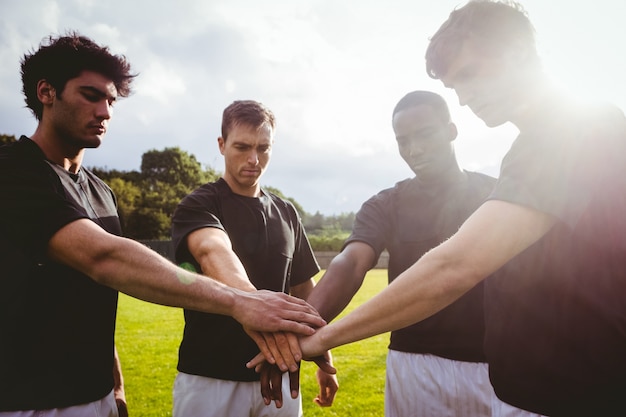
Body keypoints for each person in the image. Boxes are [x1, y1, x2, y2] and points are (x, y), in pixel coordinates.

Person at [288, 1, 626, 416]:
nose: (464, 98)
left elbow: (456, 266)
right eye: (454, 87)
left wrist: (322, 338)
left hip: (581, 393)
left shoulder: (574, 130)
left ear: (516, 52)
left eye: (469, 74)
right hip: (538, 391)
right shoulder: (532, 145)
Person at [0, 32, 325, 416]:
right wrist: (242, 301)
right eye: (91, 96)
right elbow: (103, 258)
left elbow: (95, 299)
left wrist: (116, 386)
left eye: (111, 100)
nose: (105, 111)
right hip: (27, 400)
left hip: (97, 396)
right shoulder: (13, 171)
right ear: (46, 92)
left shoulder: (102, 192)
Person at [304, 90, 507, 416]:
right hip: (414, 366)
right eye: (403, 141)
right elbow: (352, 261)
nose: (414, 149)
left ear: (452, 130)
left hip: (494, 364)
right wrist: (301, 328)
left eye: (425, 134)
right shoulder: (385, 204)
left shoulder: (497, 194)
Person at [170, 100, 338, 417]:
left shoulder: (287, 213)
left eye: (263, 148)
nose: (253, 159)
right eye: (242, 147)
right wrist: (253, 304)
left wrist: (324, 356)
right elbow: (212, 252)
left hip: (282, 374)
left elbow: (305, 292)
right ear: (221, 145)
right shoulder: (199, 204)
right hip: (210, 377)